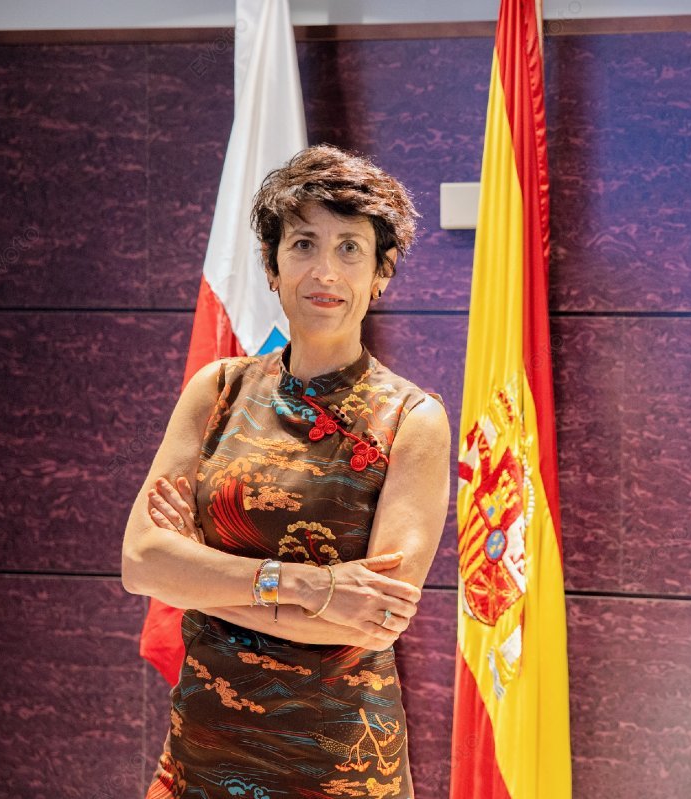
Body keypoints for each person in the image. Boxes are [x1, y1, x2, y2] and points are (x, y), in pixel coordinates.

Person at [121, 144, 450, 798]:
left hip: (338, 770)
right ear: (272, 266)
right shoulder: (217, 390)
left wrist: (196, 573)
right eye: (303, 244)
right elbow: (141, 561)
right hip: (198, 760)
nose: (325, 270)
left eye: (350, 248)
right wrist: (310, 585)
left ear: (381, 273)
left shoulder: (412, 419)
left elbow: (369, 618)